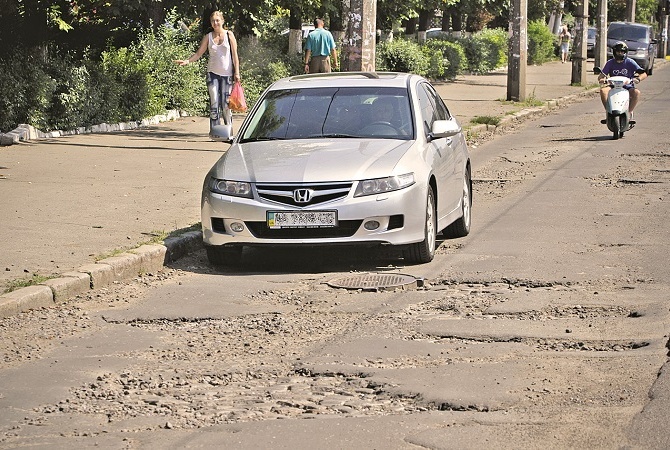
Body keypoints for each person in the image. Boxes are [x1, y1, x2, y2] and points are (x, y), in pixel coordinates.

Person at [175, 11, 241, 137]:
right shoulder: (208, 37)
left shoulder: (229, 35)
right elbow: (199, 53)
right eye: (213, 21)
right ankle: (215, 132)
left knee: (225, 104)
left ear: (222, 21)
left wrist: (236, 72)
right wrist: (187, 61)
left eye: (217, 20)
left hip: (227, 75)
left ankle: (229, 131)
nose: (215, 23)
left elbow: (235, 56)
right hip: (212, 74)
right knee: (214, 102)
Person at [598, 41, 647, 125]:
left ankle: (629, 112)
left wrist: (638, 79)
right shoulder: (610, 63)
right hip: (613, 86)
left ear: (625, 52)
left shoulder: (630, 62)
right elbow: (601, 76)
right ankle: (609, 112)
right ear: (614, 52)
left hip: (627, 86)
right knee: (603, 91)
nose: (620, 53)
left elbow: (643, 73)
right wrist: (602, 79)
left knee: (636, 93)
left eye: (622, 52)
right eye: (618, 51)